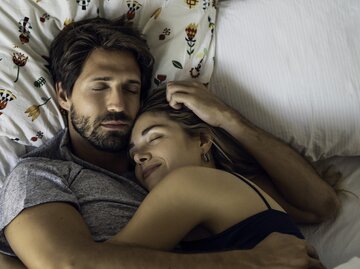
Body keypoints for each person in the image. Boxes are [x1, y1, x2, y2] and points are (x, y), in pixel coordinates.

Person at [0, 16, 338, 269]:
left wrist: (226, 117)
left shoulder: (167, 166)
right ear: (63, 94)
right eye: (100, 87)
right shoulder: (42, 175)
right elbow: (69, 265)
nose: (117, 103)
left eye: (131, 88)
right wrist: (248, 261)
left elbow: (318, 207)